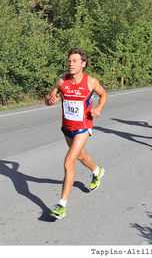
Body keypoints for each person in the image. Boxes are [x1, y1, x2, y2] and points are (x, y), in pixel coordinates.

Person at [45, 48, 108, 219]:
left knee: (68, 162)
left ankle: (61, 204)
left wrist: (98, 109)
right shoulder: (62, 81)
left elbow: (103, 95)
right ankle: (97, 171)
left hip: (83, 127)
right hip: (67, 127)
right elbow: (49, 98)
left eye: (74, 61)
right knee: (81, 155)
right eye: (69, 61)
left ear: (83, 64)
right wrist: (50, 99)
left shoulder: (91, 82)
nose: (70, 64)